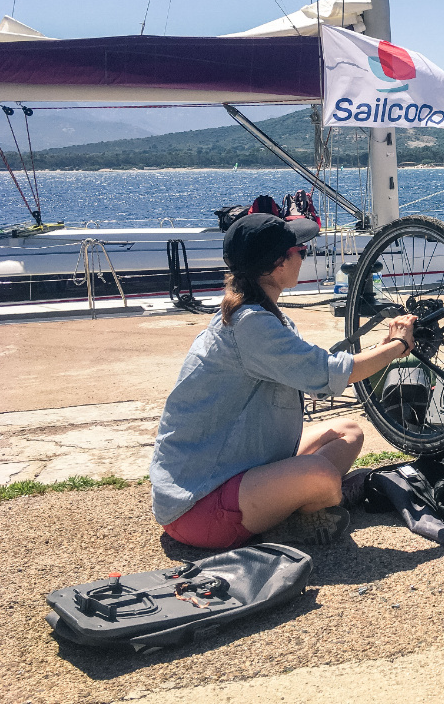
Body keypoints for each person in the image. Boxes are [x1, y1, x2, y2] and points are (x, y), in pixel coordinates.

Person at [149, 213, 416, 550]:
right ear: (278, 264)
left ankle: (306, 501)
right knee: (322, 476)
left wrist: (383, 348)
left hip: (236, 469)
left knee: (349, 432)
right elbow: (332, 373)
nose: (304, 256)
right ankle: (306, 509)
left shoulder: (258, 315)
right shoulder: (252, 325)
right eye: (300, 250)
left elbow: (317, 371)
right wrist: (398, 345)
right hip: (198, 507)